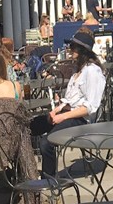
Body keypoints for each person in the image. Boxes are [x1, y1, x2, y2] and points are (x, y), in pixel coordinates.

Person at [38, 31, 106, 177]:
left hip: (81, 121)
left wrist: (63, 117)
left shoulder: (92, 71)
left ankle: (48, 179)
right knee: (31, 126)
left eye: (73, 47)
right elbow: (72, 100)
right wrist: (58, 109)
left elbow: (90, 107)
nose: (70, 49)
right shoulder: (78, 70)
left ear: (83, 51)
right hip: (69, 113)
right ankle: (22, 172)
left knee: (46, 142)